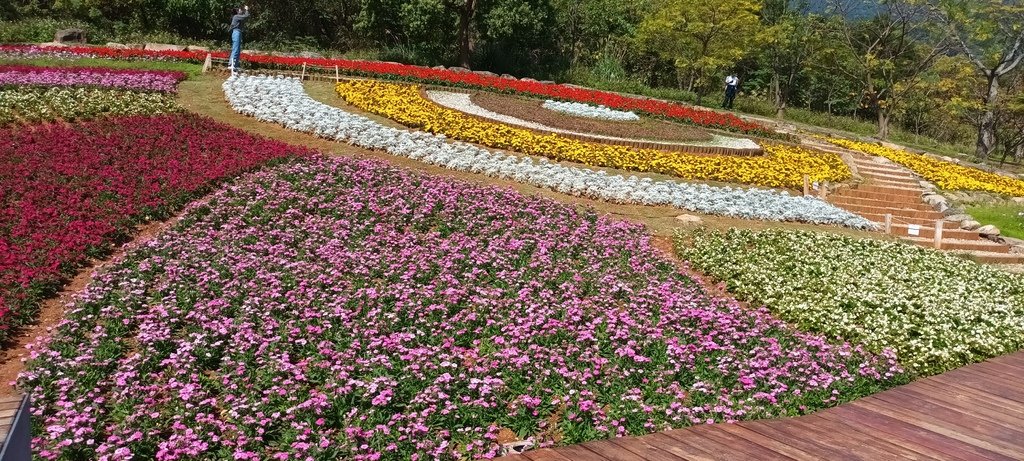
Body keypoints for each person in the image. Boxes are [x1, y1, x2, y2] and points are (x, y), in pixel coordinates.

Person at [228, 5, 250, 73]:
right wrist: (246, 9)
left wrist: (245, 11)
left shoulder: (239, 17)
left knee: (238, 49)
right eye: (240, 10)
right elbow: (246, 16)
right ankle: (231, 64)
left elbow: (246, 17)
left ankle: (235, 65)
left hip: (238, 32)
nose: (241, 10)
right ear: (237, 11)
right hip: (236, 32)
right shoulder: (236, 16)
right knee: (235, 48)